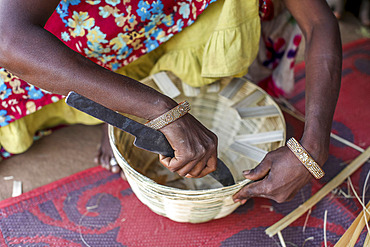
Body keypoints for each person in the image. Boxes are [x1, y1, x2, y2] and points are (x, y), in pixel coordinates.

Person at [0, 0, 341, 204]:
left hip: (170, 22)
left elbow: (318, 20)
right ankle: (121, 96)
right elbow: (9, 39)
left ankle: (134, 94)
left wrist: (313, 147)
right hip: (79, 35)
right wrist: (160, 109)